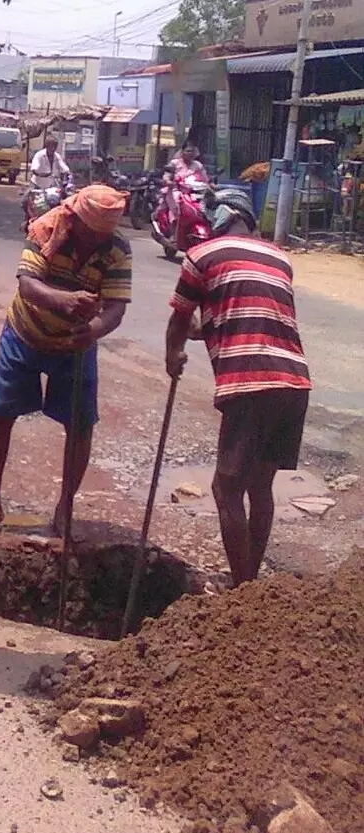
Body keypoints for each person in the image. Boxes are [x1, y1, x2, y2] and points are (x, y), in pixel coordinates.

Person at [165, 188, 311, 590]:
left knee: (226, 486)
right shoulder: (279, 257)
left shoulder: (201, 255)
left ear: (223, 217)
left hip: (250, 380)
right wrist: (201, 332)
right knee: (260, 486)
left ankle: (243, 589)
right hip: (294, 381)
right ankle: (250, 583)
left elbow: (179, 319)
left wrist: (172, 355)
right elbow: (248, 315)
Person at [0, 184, 132, 536]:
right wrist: (65, 300)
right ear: (76, 220)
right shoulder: (46, 228)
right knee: (0, 415)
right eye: (91, 234)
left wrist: (94, 330)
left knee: (80, 425)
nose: (96, 242)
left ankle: (65, 505)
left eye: (102, 236)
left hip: (76, 344)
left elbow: (116, 308)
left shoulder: (117, 249)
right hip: (25, 332)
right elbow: (27, 285)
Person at [163, 140, 209, 230]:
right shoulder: (174, 163)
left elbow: (205, 178)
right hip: (176, 190)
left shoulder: (198, 165)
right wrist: (168, 181)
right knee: (177, 207)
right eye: (188, 151)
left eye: (192, 151)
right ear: (182, 152)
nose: (190, 153)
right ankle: (174, 228)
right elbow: (167, 176)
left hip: (194, 192)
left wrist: (210, 184)